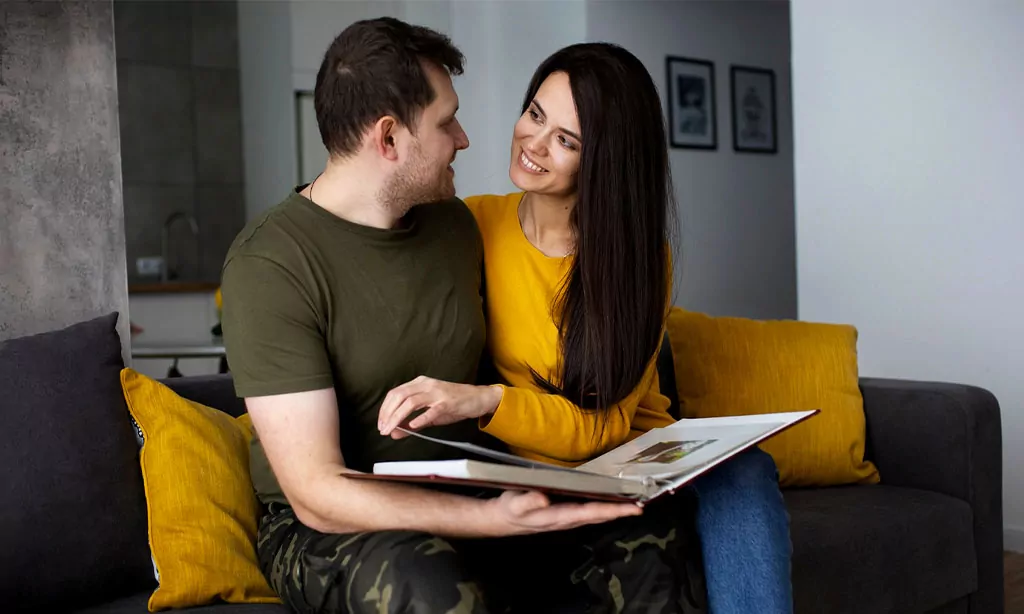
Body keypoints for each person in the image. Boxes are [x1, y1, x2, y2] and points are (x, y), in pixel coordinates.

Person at [221, 17, 706, 614]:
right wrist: (493, 519)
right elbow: (318, 495)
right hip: (337, 526)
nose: (466, 137)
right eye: (446, 121)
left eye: (567, 138)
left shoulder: (454, 226)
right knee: (428, 584)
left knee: (645, 542)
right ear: (390, 138)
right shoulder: (270, 263)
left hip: (473, 487)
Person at [377, 43, 794, 614]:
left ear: (604, 160)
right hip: (528, 464)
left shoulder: (639, 259)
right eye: (536, 114)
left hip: (631, 455)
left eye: (567, 141)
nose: (534, 143)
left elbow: (603, 429)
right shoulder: (470, 224)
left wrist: (483, 399)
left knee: (745, 472)